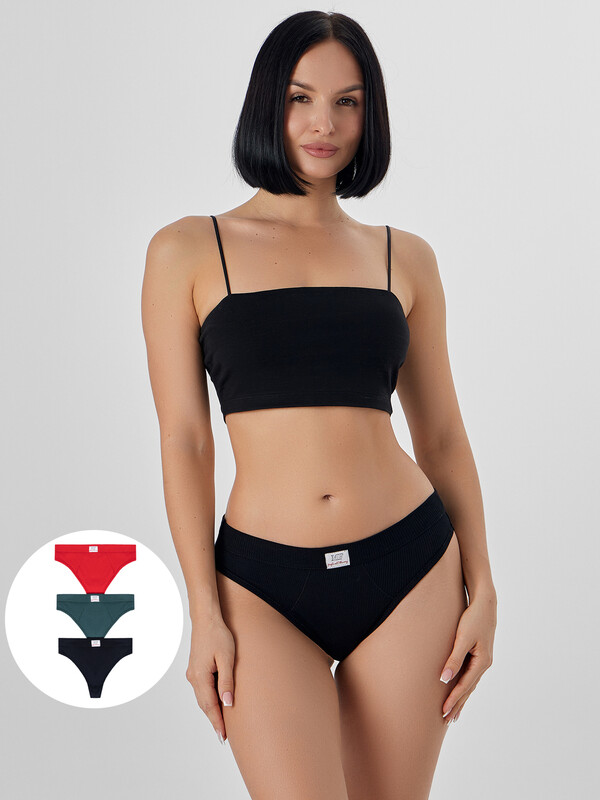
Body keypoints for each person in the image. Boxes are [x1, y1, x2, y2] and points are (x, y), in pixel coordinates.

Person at [141, 10, 497, 800]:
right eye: (301, 98)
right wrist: (204, 611)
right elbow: (184, 440)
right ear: (268, 103)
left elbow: (441, 435)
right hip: (260, 584)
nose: (323, 124)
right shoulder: (187, 250)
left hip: (411, 569)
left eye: (348, 102)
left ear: (371, 116)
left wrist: (484, 586)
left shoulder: (405, 256)